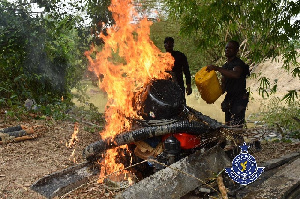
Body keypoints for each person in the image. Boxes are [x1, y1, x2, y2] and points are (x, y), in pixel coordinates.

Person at [206, 40, 250, 127]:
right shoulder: (225, 66)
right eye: (226, 48)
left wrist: (216, 68)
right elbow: (223, 88)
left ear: (236, 50)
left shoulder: (238, 63)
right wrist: (210, 96)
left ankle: (238, 140)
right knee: (228, 125)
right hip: (229, 98)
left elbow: (236, 74)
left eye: (230, 48)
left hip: (239, 98)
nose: (227, 50)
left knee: (237, 126)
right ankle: (233, 140)